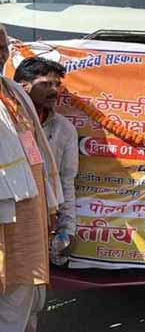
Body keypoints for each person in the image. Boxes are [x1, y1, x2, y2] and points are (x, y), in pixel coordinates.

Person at [0, 25, 64, 332]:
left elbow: (36, 150)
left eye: (2, 49)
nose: (0, 55)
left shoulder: (12, 92)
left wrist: (50, 200)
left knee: (24, 282)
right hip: (5, 204)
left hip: (27, 204)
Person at [14, 58, 79, 258]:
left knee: (31, 283)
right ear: (22, 87)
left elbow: (66, 180)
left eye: (57, 84)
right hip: (8, 214)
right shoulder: (6, 122)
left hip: (41, 219)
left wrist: (67, 229)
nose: (54, 90)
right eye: (45, 84)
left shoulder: (64, 129)